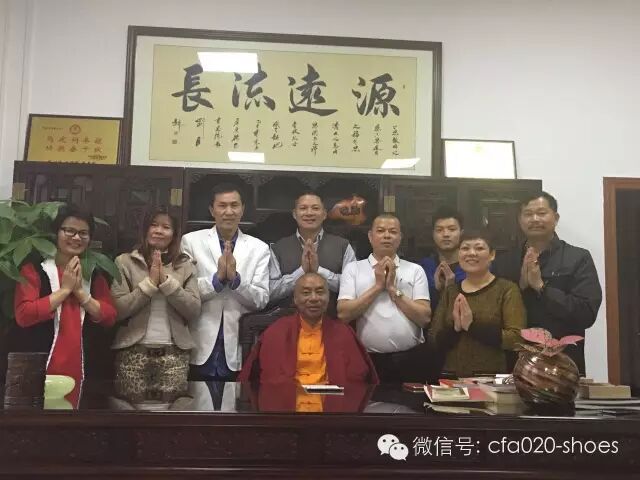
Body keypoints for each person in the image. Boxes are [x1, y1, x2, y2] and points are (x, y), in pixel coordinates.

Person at [13, 205, 117, 402]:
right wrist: (64, 291)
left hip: (86, 369)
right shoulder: (34, 270)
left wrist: (81, 294)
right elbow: (24, 314)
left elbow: (110, 317)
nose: (76, 238)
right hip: (39, 368)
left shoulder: (93, 275)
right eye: (69, 230)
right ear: (56, 233)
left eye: (83, 233)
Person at [492, 192, 602, 374]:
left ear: (555, 218)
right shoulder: (505, 262)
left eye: (541, 213)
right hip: (514, 363)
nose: (535, 219)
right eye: (528, 214)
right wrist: (520, 288)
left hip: (562, 365)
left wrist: (542, 288)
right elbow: (495, 314)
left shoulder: (577, 258)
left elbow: (586, 313)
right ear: (520, 220)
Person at [181, 183, 270, 381]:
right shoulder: (191, 242)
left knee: (236, 399)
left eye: (234, 205)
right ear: (212, 210)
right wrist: (217, 280)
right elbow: (184, 293)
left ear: (242, 209)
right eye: (222, 205)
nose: (228, 211)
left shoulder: (259, 248)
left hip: (239, 344)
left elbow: (261, 299)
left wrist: (236, 281)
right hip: (199, 341)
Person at [110, 207, 201, 393]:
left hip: (175, 354)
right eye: (154, 225)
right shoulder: (124, 262)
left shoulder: (185, 265)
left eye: (166, 227)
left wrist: (167, 284)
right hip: (132, 351)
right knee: (132, 409)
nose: (159, 231)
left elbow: (193, 310)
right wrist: (149, 285)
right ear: (145, 229)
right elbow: (117, 310)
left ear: (174, 234)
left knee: (171, 410)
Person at [337, 213, 431, 383]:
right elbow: (344, 314)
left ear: (400, 238)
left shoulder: (415, 270)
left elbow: (424, 318)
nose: (387, 235)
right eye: (380, 231)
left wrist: (393, 289)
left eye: (393, 231)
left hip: (410, 359)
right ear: (370, 236)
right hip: (368, 360)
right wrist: (378, 287)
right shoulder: (354, 269)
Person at [239, 273, 378, 385]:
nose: (314, 298)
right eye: (306, 293)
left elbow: (358, 379)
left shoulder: (343, 333)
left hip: (331, 406)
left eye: (320, 292)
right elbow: (253, 379)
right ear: (295, 299)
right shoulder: (276, 332)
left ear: (328, 298)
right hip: (287, 406)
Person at [428, 230, 526, 378]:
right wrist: (456, 328)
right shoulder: (451, 291)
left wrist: (472, 326)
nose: (471, 253)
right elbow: (433, 339)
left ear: (492, 255)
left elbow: (516, 339)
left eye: (479, 248)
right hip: (451, 378)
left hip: (491, 379)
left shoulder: (507, 289)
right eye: (465, 248)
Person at [268, 192, 356, 317]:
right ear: (294, 214)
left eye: (315, 208)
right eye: (303, 208)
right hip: (288, 320)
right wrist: (301, 272)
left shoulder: (343, 246)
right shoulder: (278, 248)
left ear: (324, 214)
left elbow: (353, 286)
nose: (309, 213)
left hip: (332, 319)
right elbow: (270, 292)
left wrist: (319, 271)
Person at [419, 206, 466, 310]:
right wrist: (437, 290)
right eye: (439, 230)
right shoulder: (422, 268)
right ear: (433, 234)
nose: (446, 234)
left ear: (461, 233)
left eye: (452, 229)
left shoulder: (472, 267)